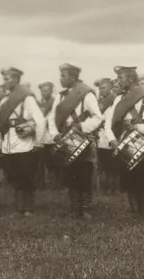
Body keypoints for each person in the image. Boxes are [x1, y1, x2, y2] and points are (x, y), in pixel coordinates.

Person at [107, 66, 144, 216]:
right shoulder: (118, 99)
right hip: (124, 143)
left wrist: (140, 127)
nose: (117, 81)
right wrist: (113, 139)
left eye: (120, 78)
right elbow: (109, 123)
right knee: (129, 179)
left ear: (131, 79)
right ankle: (134, 211)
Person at [53, 63, 103, 218]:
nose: (60, 79)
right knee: (70, 173)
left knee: (84, 173)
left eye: (64, 76)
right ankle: (75, 207)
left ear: (73, 77)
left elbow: (97, 117)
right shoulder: (60, 96)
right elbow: (52, 119)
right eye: (61, 75)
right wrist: (55, 133)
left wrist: (82, 127)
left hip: (82, 139)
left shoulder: (86, 94)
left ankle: (86, 208)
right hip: (66, 139)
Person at [0, 66, 45, 216]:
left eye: (8, 78)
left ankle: (28, 209)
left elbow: (40, 121)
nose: (5, 82)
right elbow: (0, 123)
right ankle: (19, 208)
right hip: (9, 142)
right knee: (15, 176)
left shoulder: (27, 97)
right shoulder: (4, 99)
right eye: (4, 78)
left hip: (24, 142)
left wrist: (38, 142)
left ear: (16, 79)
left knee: (26, 176)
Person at [94, 77, 118, 194]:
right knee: (103, 160)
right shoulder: (100, 101)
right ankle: (105, 184)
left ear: (110, 88)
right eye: (100, 88)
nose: (101, 90)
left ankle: (113, 186)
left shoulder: (114, 100)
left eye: (103, 88)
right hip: (101, 134)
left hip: (111, 133)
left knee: (112, 163)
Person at [35, 80, 56, 190]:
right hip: (42, 137)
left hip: (52, 137)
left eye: (46, 91)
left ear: (51, 91)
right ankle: (41, 184)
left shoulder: (55, 102)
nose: (44, 93)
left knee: (54, 161)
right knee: (41, 161)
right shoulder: (40, 105)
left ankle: (55, 184)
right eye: (42, 91)